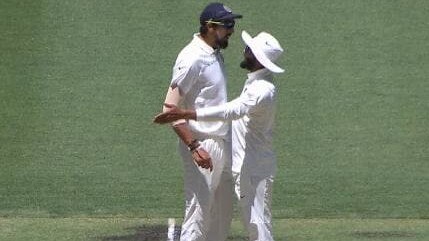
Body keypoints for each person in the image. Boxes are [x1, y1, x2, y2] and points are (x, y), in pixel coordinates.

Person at [154, 30, 285, 241]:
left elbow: (232, 111)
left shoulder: (262, 89)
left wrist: (186, 113)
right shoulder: (257, 82)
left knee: (257, 225)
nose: (244, 51)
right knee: (248, 221)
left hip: (253, 169)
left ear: (259, 59)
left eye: (249, 50)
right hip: (248, 166)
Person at [159, 2, 242, 241]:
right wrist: (194, 147)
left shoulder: (214, 53)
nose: (232, 30)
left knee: (222, 214)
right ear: (210, 26)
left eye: (232, 24)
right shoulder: (192, 58)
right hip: (203, 145)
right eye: (227, 25)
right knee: (198, 214)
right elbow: (169, 108)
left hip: (222, 142)